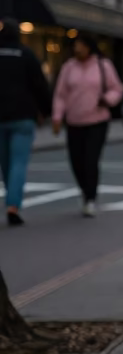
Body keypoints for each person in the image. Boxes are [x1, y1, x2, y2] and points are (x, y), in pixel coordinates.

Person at [51, 33, 123, 217]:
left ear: (89, 47)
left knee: (90, 160)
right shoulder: (68, 67)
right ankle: (85, 190)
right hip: (74, 121)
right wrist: (57, 116)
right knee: (76, 161)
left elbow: (117, 88)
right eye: (75, 46)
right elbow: (60, 94)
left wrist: (107, 99)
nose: (78, 49)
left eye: (81, 46)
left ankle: (90, 198)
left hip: (97, 120)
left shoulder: (103, 65)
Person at [0, 18, 52, 226]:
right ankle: (14, 204)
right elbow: (40, 84)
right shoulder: (26, 54)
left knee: (5, 164)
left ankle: (10, 199)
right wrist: (45, 111)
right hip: (23, 116)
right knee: (19, 162)